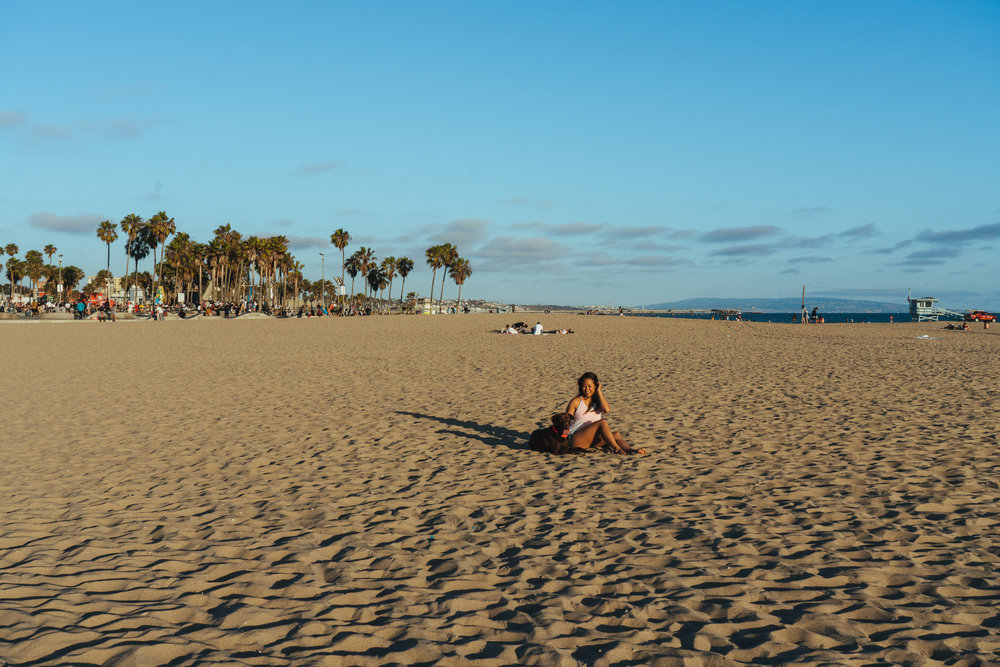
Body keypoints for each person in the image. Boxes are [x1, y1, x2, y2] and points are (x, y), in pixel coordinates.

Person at [565, 372, 646, 455]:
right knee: (602, 422)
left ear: (595, 386)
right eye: (584, 386)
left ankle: (631, 451)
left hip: (590, 439)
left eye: (589, 386)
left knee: (616, 435)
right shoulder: (576, 402)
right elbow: (565, 421)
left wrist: (599, 392)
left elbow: (606, 410)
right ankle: (617, 449)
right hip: (575, 439)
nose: (586, 389)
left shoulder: (597, 401)